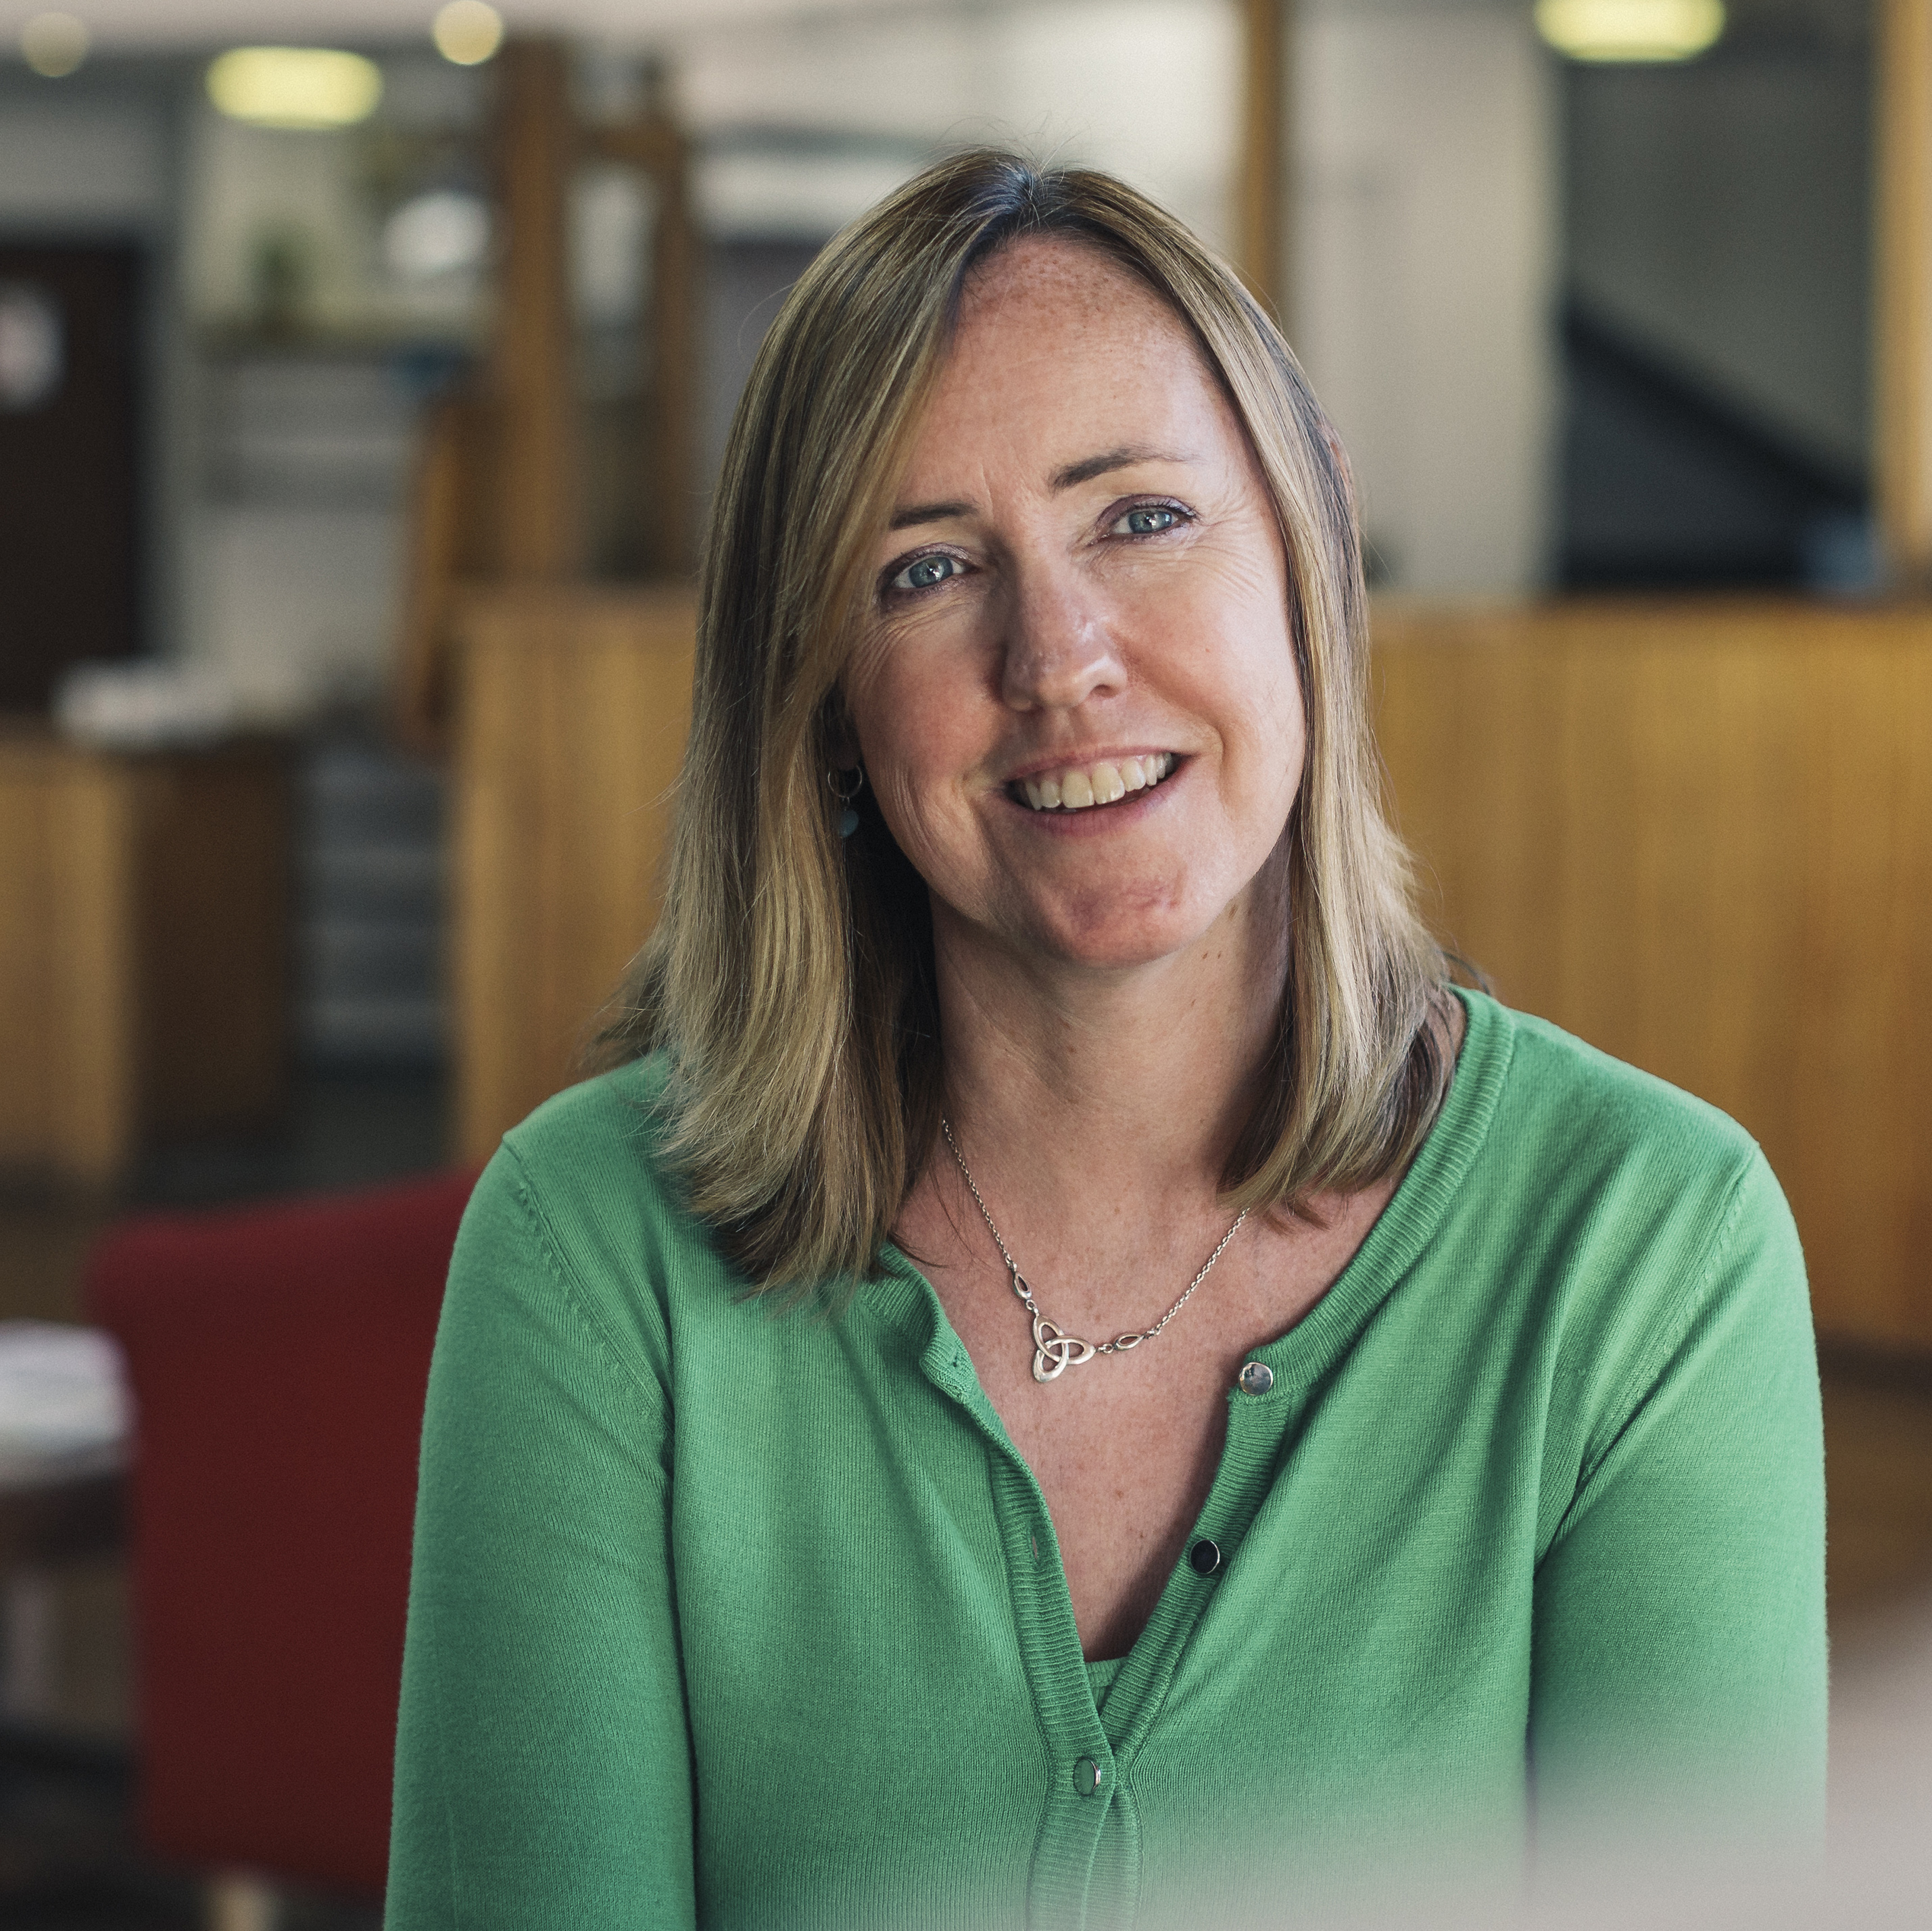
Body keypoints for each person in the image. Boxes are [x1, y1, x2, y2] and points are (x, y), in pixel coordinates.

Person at [387, 151, 1825, 1930]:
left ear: (1309, 548)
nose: (1056, 657)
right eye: (922, 568)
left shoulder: (1643, 1243)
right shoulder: (592, 1248)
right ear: (824, 699)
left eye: (1137, 516)